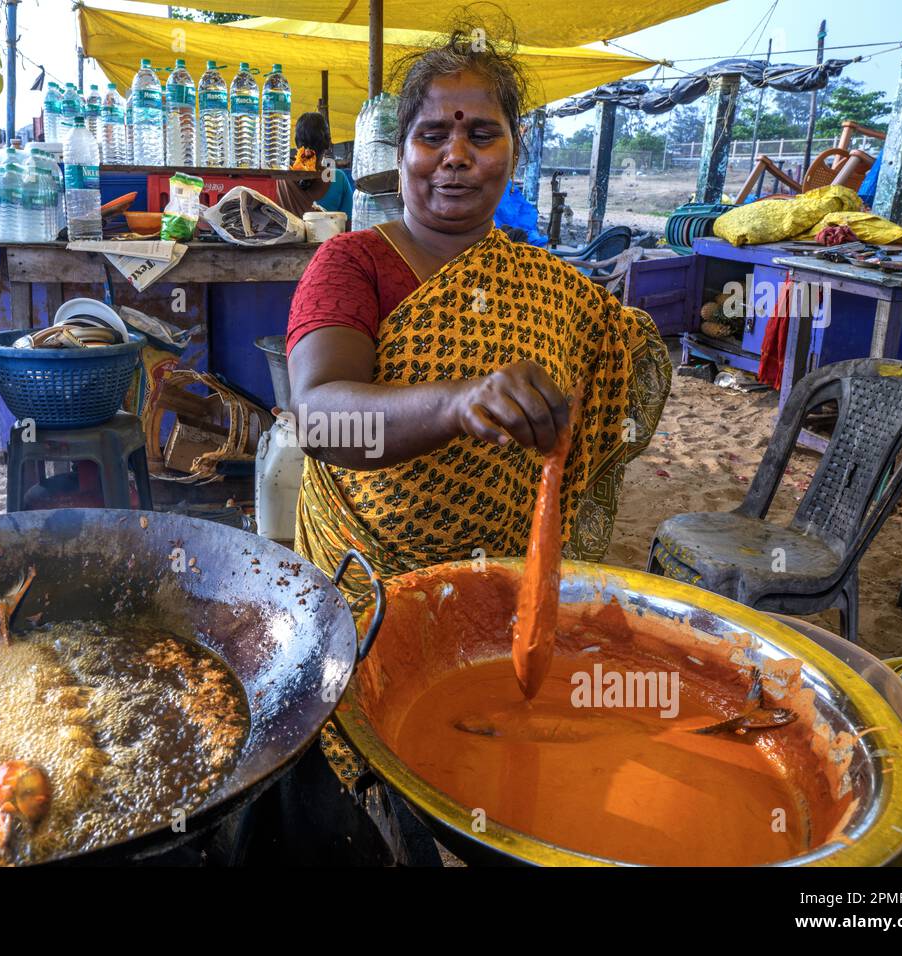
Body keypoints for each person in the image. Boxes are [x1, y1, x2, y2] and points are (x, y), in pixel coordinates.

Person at [286, 25, 671, 601]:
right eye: (433, 134)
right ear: (401, 155)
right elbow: (318, 421)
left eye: (483, 135)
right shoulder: (353, 262)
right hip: (364, 588)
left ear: (513, 154)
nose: (456, 156)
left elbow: (627, 360)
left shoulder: (553, 287)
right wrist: (459, 402)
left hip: (504, 589)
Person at [276, 112, 355, 225]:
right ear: (328, 143)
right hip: (327, 242)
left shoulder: (281, 177)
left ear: (296, 143)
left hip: (287, 241)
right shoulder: (338, 178)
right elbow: (349, 225)